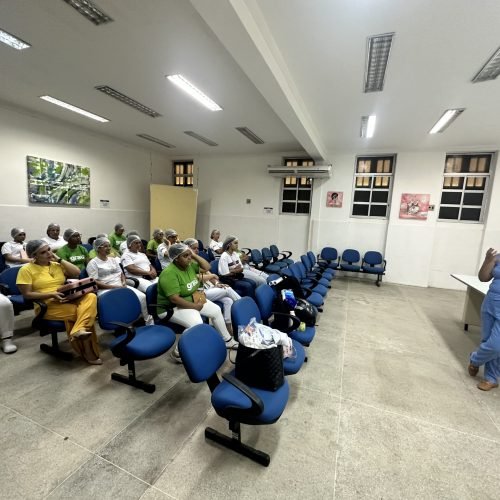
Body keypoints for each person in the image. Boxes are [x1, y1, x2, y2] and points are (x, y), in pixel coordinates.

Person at [16, 240, 101, 364]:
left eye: (49, 249)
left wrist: (59, 259)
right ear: (34, 256)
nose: (48, 253)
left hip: (67, 298)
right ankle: (88, 350)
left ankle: (79, 330)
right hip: (47, 304)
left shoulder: (56, 265)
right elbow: (27, 294)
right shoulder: (26, 270)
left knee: (91, 297)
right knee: (84, 314)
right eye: (43, 252)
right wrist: (51, 294)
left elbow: (77, 272)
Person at [157, 243, 238, 362]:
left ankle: (227, 340)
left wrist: (193, 255)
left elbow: (207, 267)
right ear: (176, 259)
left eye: (189, 255)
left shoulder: (189, 265)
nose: (189, 258)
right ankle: (177, 353)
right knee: (196, 324)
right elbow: (175, 299)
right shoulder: (169, 273)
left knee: (215, 310)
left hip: (192, 297)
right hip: (171, 307)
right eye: (185, 256)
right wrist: (195, 307)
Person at [86, 237, 154, 325]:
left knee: (142, 297)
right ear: (98, 248)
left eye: (109, 246)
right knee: (120, 301)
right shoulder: (93, 263)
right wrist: (115, 287)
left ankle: (149, 322)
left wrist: (124, 283)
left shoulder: (113, 260)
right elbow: (95, 282)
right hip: (105, 289)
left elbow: (121, 274)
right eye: (105, 246)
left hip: (120, 285)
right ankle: (119, 325)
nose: (109, 248)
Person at [184, 238, 241, 333]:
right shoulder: (186, 262)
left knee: (228, 300)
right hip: (197, 294)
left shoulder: (197, 260)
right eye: (194, 249)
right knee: (227, 288)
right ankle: (243, 309)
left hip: (207, 289)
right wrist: (211, 276)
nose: (197, 251)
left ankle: (228, 326)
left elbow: (207, 270)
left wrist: (217, 283)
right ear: (187, 248)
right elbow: (195, 277)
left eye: (197, 248)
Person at [468, 247, 500, 391]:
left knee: (496, 345)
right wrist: (488, 260)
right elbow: (483, 277)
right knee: (487, 340)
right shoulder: (497, 257)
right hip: (491, 302)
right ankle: (491, 378)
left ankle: (475, 359)